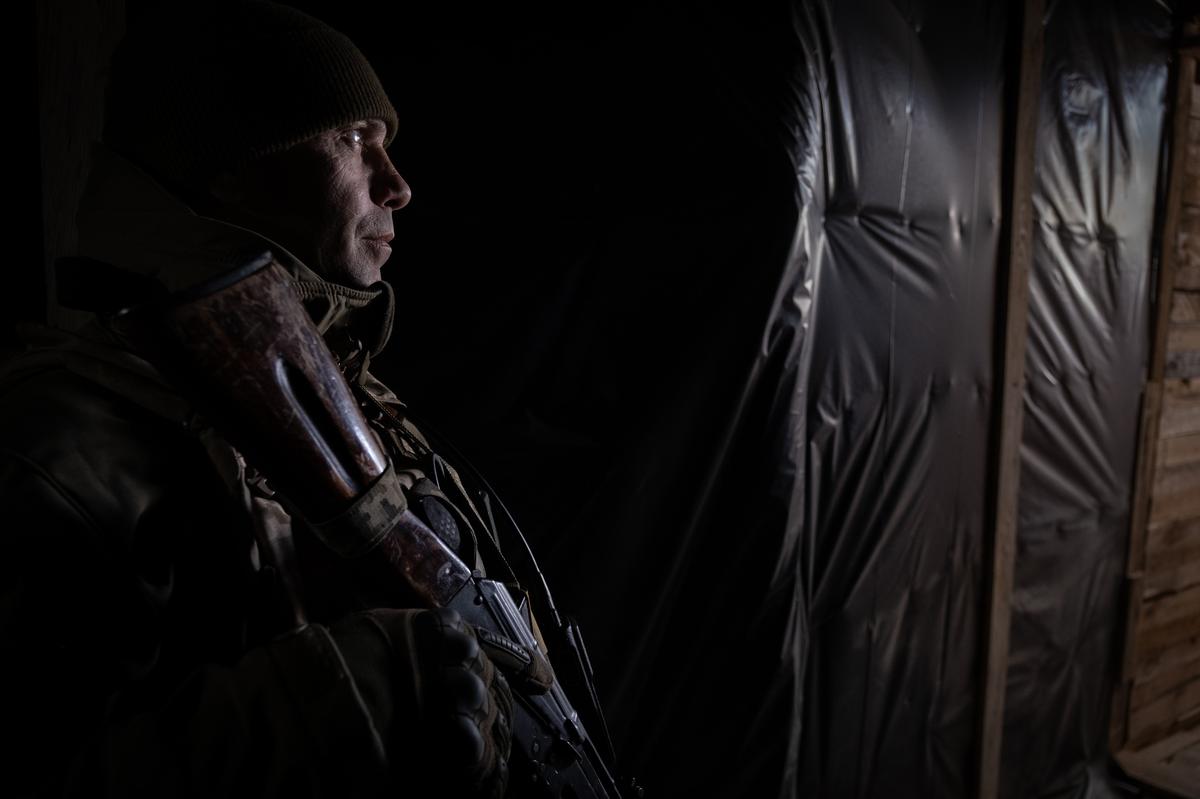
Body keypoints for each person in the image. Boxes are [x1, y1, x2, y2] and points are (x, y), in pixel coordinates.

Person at [0, 3, 550, 796]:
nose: (397, 185)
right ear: (226, 164)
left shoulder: (355, 398)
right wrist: (322, 706)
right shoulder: (58, 446)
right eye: (353, 138)